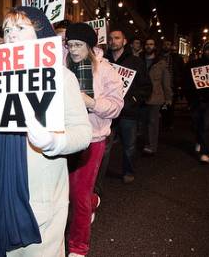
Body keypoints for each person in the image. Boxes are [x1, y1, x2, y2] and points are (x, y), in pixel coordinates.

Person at [0, 6, 92, 257]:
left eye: (20, 28)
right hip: (0, 189)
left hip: (41, 196)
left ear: (40, 35)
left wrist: (52, 142)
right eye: (7, 29)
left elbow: (83, 133)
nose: (11, 35)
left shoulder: (61, 77)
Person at [65, 23, 124, 257]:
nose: (74, 50)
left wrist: (91, 103)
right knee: (68, 191)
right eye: (69, 45)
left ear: (89, 46)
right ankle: (93, 200)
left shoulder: (105, 70)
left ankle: (78, 247)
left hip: (93, 138)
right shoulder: (61, 63)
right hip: (65, 136)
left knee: (78, 195)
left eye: (78, 45)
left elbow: (117, 106)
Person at [96, 28, 151, 186]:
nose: (113, 41)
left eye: (117, 38)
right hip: (109, 112)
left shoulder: (136, 62)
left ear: (124, 41)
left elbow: (146, 87)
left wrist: (133, 100)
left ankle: (128, 171)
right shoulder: (102, 61)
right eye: (111, 38)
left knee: (129, 146)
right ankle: (99, 176)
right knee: (104, 146)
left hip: (128, 112)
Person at [183, 40, 209, 163]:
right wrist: (189, 98)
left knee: (206, 125)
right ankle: (199, 140)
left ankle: (204, 152)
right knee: (198, 124)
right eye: (208, 49)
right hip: (196, 100)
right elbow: (186, 82)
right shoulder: (193, 64)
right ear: (203, 50)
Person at [141, 38, 172, 155]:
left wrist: (168, 98)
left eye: (151, 44)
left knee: (153, 122)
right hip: (142, 96)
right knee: (143, 122)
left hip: (156, 97)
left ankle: (151, 146)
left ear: (155, 46)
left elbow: (166, 82)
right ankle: (146, 142)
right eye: (147, 44)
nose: (149, 46)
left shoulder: (161, 62)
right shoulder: (139, 60)